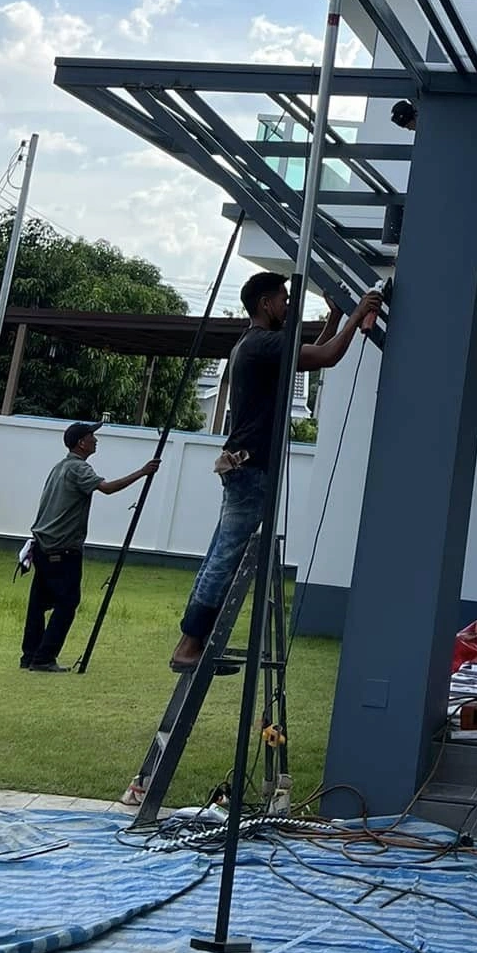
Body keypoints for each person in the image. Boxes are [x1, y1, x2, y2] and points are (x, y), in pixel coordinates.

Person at [169, 273, 382, 671]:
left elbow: (306, 356)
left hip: (242, 464)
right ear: (265, 304)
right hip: (252, 469)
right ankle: (190, 646)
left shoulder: (252, 344)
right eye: (283, 300)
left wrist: (336, 318)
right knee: (226, 556)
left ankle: (191, 641)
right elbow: (327, 357)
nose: (287, 306)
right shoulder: (263, 343)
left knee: (219, 552)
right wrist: (357, 315)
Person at [21, 422, 160, 672]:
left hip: (42, 545)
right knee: (67, 603)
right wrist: (142, 472)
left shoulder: (60, 467)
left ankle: (29, 656)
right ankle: (43, 658)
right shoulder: (78, 468)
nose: (96, 440)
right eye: (91, 436)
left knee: (38, 604)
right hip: (63, 548)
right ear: (81, 443)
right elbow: (106, 488)